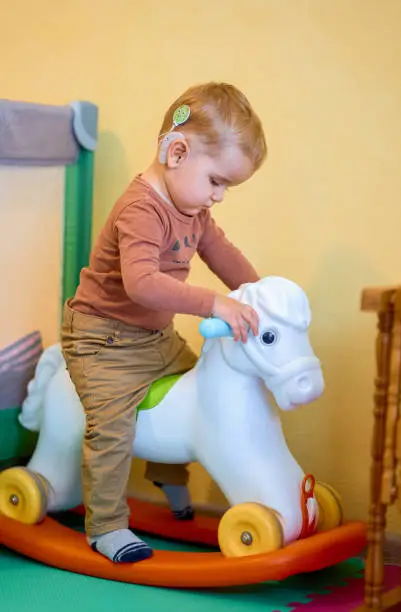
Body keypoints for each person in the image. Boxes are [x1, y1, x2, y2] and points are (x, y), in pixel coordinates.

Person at [61, 81, 267, 563]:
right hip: (102, 339)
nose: (219, 196)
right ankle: (106, 526)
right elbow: (143, 284)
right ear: (177, 152)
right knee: (111, 429)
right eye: (217, 181)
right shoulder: (142, 208)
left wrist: (261, 294)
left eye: (227, 187)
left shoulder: (192, 207)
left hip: (154, 337)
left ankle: (166, 472)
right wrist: (215, 304)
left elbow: (223, 253)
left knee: (201, 392)